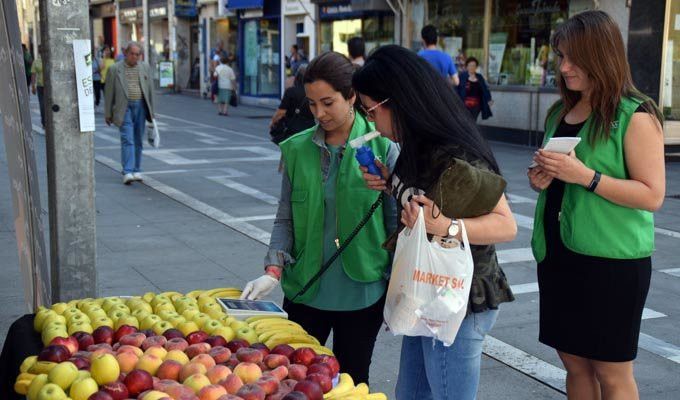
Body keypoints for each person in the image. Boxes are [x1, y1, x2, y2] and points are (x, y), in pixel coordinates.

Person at [353, 45, 517, 400]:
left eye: (371, 111)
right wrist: (390, 183)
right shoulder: (414, 144)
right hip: (426, 291)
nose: (371, 124)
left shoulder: (455, 151)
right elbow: (423, 204)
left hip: (457, 300)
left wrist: (445, 226)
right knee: (411, 394)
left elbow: (506, 225)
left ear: (395, 102)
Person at [528, 11, 665, 400]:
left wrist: (585, 176)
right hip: (558, 255)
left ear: (600, 57)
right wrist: (544, 178)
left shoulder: (634, 115)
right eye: (560, 56)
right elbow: (561, 176)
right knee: (573, 363)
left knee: (612, 370)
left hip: (612, 263)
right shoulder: (560, 112)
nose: (565, 67)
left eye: (574, 58)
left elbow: (652, 194)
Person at [241, 51, 399, 386]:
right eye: (312, 104)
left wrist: (396, 286)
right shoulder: (296, 149)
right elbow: (285, 217)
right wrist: (273, 268)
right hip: (306, 288)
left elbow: (397, 223)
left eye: (328, 103)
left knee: (352, 381)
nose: (319, 113)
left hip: (363, 290)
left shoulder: (384, 147)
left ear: (352, 96)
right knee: (292, 381)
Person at [104, 42, 156, 185]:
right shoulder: (115, 69)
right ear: (126, 53)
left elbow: (150, 90)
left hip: (140, 106)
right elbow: (109, 93)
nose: (135, 57)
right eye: (132, 53)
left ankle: (136, 169)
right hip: (124, 107)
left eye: (137, 54)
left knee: (138, 139)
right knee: (128, 139)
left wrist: (152, 112)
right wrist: (108, 113)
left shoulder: (144, 67)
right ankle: (127, 171)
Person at [269, 65, 315, 142]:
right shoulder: (314, 91)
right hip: (310, 130)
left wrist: (272, 122)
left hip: (293, 130)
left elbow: (281, 112)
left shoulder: (291, 91)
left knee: (290, 152)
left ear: (296, 77)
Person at [30, 45, 45, 127]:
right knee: (42, 105)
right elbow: (33, 74)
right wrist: (33, 86)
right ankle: (44, 122)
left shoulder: (50, 60)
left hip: (50, 88)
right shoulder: (36, 62)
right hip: (40, 86)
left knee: (50, 105)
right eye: (40, 50)